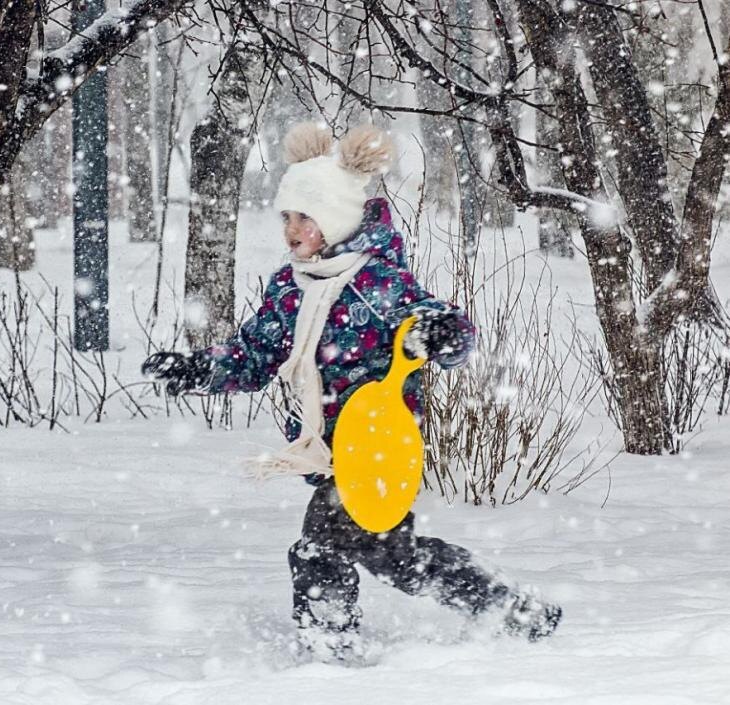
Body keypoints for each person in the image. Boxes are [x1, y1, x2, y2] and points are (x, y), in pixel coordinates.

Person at [142, 123, 561, 660]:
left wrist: (444, 334)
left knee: (320, 548)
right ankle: (506, 607)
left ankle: (329, 649)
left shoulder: (379, 286)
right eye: (286, 217)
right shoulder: (292, 288)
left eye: (305, 218)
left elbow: (441, 323)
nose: (291, 230)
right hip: (334, 452)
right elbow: (254, 354)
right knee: (396, 557)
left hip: (378, 446)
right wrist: (198, 370)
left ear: (336, 221)